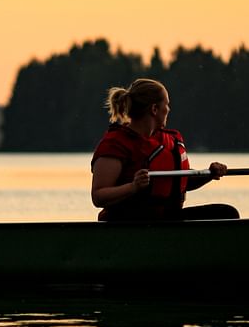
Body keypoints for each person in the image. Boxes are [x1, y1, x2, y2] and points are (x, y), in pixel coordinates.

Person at [90, 78, 238, 222]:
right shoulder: (115, 144)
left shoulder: (169, 140)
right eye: (166, 104)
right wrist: (133, 187)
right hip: (130, 225)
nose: (169, 109)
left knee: (226, 213)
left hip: (166, 220)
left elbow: (179, 182)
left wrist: (209, 174)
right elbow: (98, 196)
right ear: (154, 109)